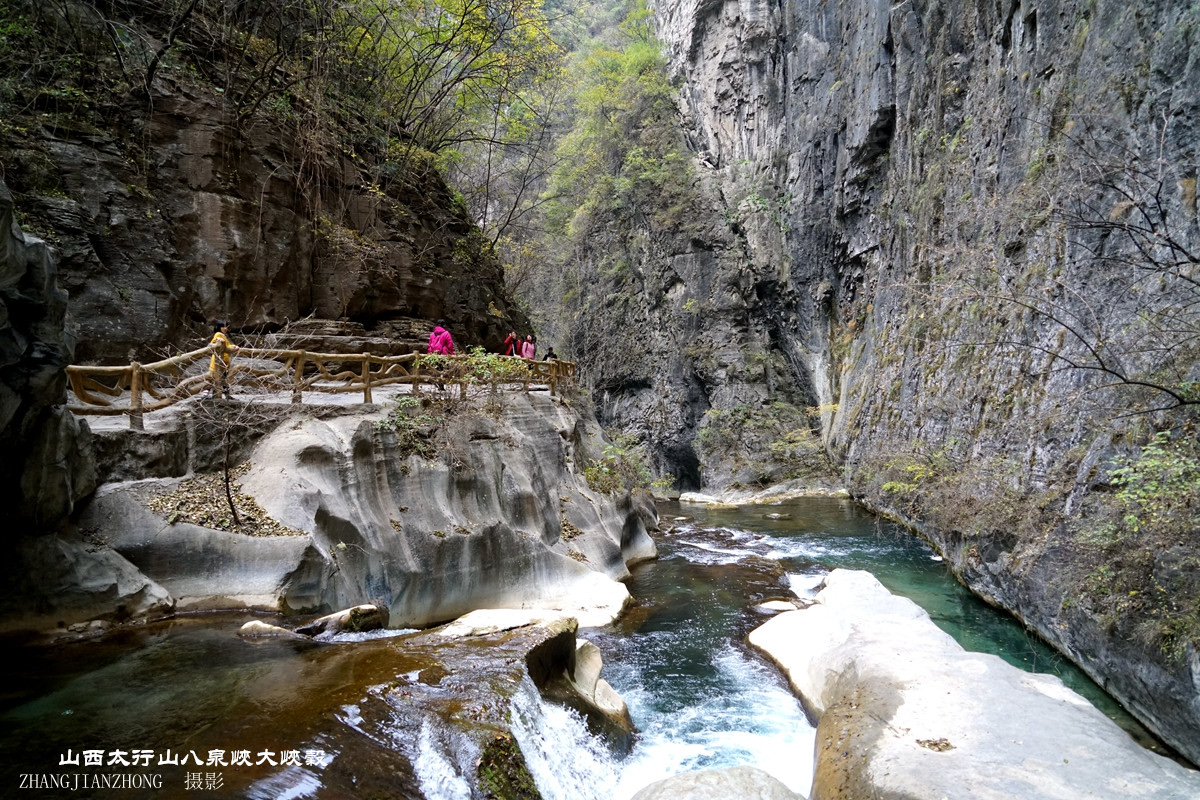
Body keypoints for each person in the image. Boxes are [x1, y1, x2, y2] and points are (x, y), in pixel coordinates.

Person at [208, 320, 239, 398]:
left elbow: (228, 346)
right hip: (218, 362)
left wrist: (234, 346)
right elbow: (214, 341)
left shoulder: (224, 336)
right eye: (223, 326)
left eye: (226, 327)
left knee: (223, 379)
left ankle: (226, 394)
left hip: (224, 363)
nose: (225, 328)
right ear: (218, 327)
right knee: (214, 378)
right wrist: (218, 340)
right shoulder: (218, 334)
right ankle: (209, 394)